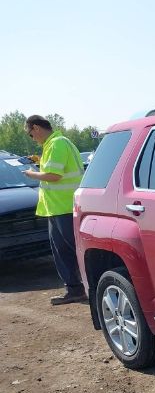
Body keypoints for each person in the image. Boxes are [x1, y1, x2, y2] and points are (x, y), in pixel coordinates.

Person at [22, 115, 86, 305]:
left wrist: (31, 174)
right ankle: (75, 290)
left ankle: (90, 288)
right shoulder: (57, 143)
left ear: (36, 128)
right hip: (58, 208)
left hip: (64, 207)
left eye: (31, 135)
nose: (32, 138)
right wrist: (39, 161)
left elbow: (53, 175)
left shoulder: (56, 143)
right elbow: (57, 170)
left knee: (74, 251)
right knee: (62, 252)